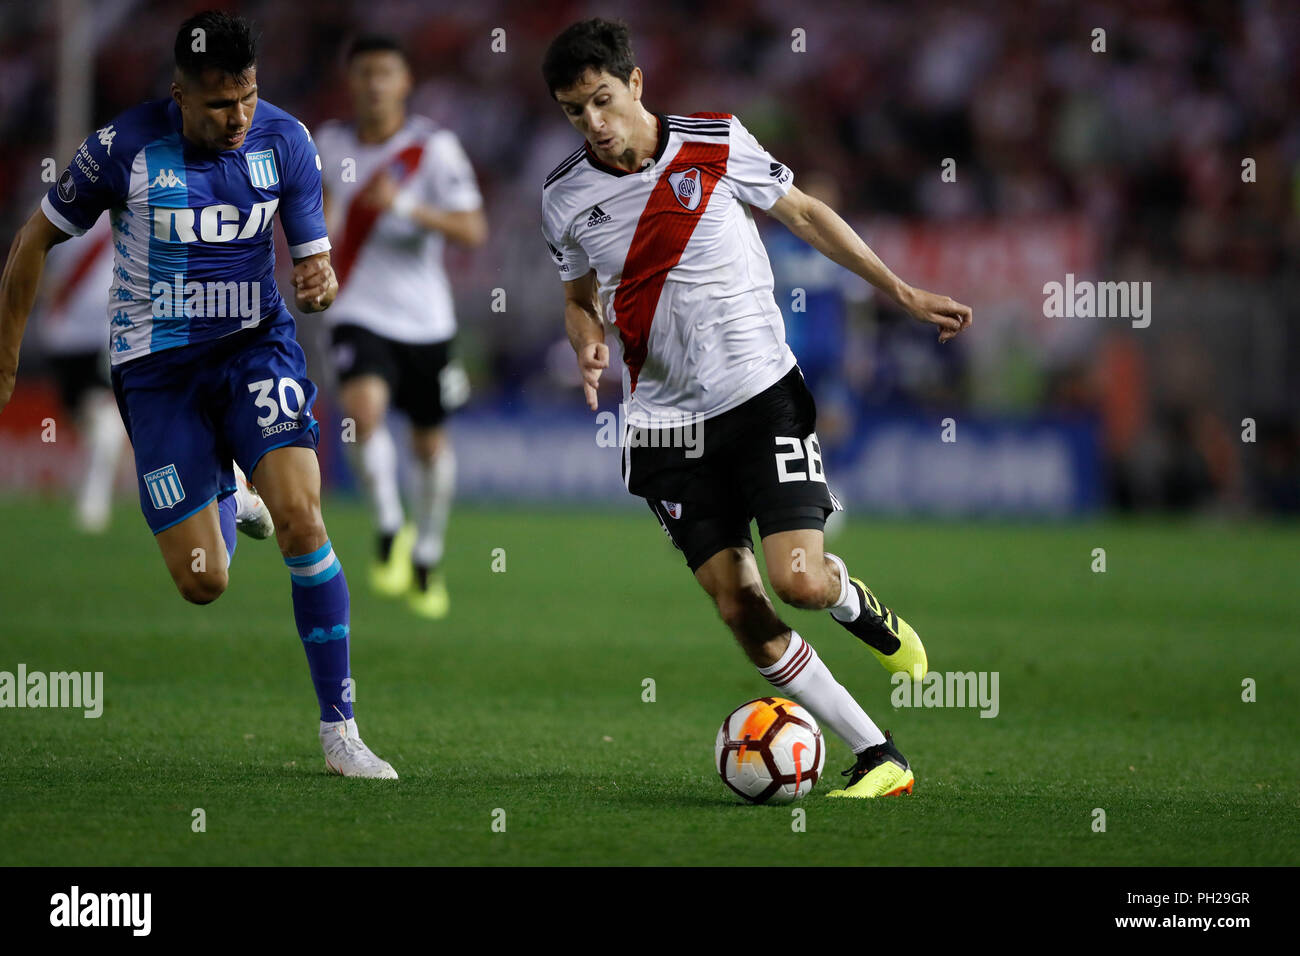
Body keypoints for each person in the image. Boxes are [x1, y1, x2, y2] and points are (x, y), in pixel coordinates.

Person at [540, 18, 972, 797]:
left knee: (799, 582)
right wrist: (585, 339)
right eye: (575, 112)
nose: (594, 124)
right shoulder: (563, 196)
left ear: (636, 83)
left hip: (760, 395)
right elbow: (578, 298)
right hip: (662, 425)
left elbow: (803, 213)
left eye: (602, 100)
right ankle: (881, 755)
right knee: (739, 607)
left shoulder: (714, 139)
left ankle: (857, 606)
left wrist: (901, 290)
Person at [0, 10, 395, 778]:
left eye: (247, 95)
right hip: (158, 372)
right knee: (203, 584)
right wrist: (6, 359)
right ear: (179, 93)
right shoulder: (123, 149)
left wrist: (319, 283)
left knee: (304, 520)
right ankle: (226, 490)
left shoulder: (287, 140)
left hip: (256, 350)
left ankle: (341, 730)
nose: (238, 115)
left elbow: (315, 270)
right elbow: (31, 240)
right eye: (219, 103)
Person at [315, 35, 487, 619]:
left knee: (429, 444)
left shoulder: (433, 149)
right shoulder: (330, 144)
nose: (373, 84)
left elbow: (472, 229)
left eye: (385, 73)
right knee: (361, 413)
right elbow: (318, 214)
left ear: (405, 82)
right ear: (352, 81)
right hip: (358, 310)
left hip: (426, 321)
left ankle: (427, 551)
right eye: (363, 73)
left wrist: (405, 207)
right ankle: (390, 527)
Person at [33, 217, 129, 532]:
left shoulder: (123, 210)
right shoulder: (62, 211)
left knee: (102, 409)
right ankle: (93, 485)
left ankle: (94, 498)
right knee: (84, 415)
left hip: (104, 329)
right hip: (64, 334)